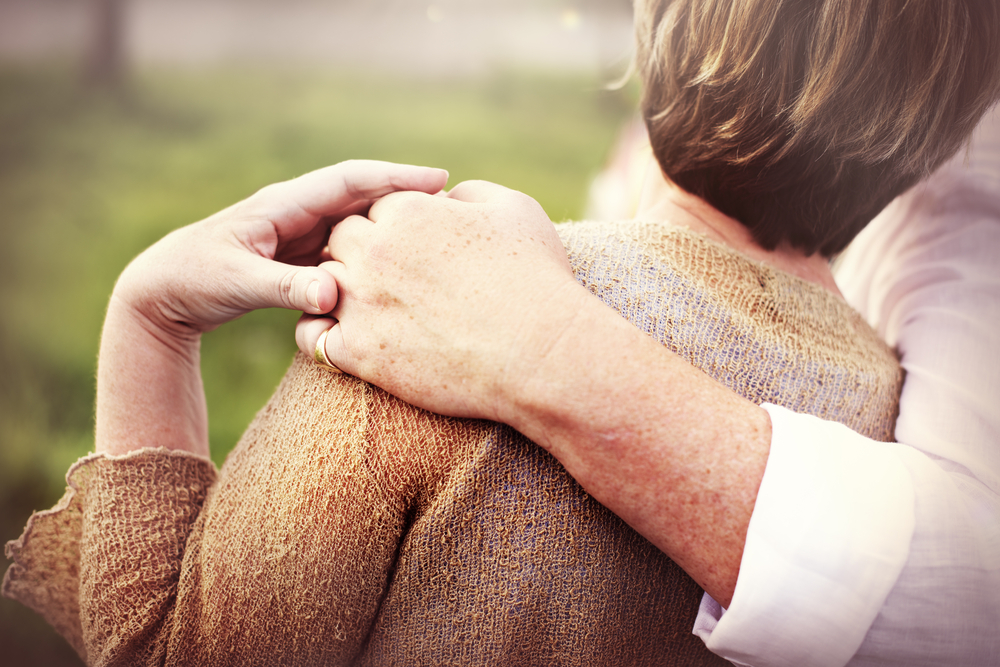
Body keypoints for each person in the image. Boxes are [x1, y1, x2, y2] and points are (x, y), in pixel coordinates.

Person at [4, 1, 999, 666]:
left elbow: (165, 650)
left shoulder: (425, 319)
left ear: (659, 31)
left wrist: (151, 320)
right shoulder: (891, 437)